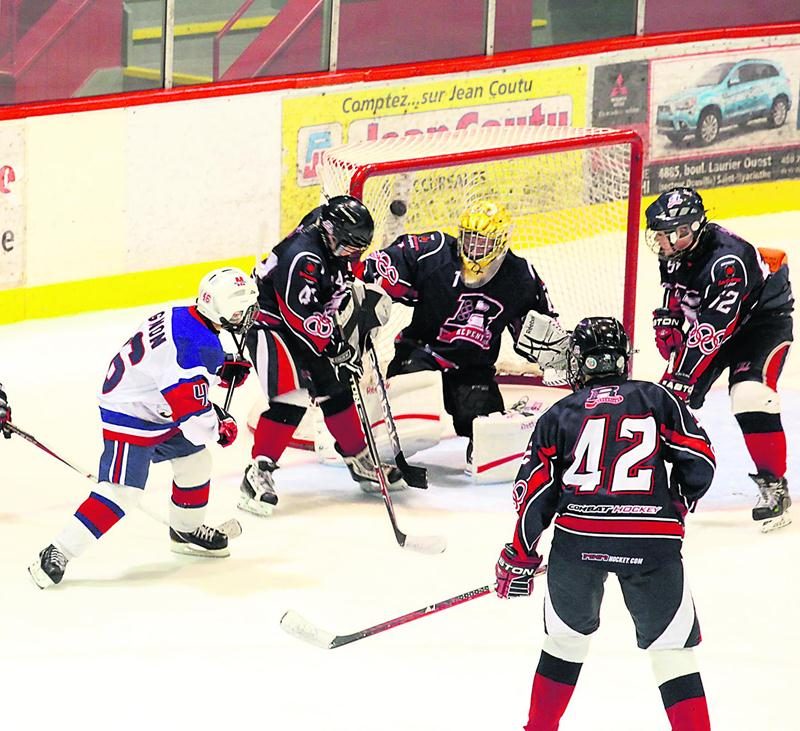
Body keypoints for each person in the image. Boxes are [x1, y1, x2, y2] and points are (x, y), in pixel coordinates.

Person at [494, 317, 716, 731]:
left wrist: (520, 554)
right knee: (672, 652)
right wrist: (675, 507)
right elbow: (700, 462)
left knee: (564, 642)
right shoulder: (658, 399)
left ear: (579, 362)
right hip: (652, 543)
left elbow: (535, 494)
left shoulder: (559, 414)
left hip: (580, 544)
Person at [28, 267, 258, 588]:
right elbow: (193, 421)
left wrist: (220, 366)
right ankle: (58, 551)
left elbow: (171, 364)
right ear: (230, 310)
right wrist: (219, 428)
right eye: (247, 308)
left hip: (156, 405)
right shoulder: (197, 345)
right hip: (132, 415)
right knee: (123, 492)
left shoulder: (185, 315)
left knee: (195, 461)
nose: (251, 315)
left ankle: (185, 530)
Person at [357, 199, 558, 466]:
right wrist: (367, 284)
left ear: (500, 242)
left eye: (482, 242)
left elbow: (542, 330)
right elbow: (380, 269)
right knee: (410, 415)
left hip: (472, 366)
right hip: (421, 352)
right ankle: (375, 438)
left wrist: (552, 353)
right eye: (469, 239)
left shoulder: (520, 276)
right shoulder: (436, 251)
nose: (473, 249)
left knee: (486, 432)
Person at [240, 194, 403, 517]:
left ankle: (359, 460)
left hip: (301, 319)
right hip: (267, 322)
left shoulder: (331, 231)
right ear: (328, 231)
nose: (350, 253)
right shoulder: (304, 257)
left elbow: (328, 293)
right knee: (293, 397)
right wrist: (335, 348)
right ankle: (258, 472)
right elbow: (298, 316)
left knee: (337, 386)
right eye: (346, 246)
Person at [646, 187, 793, 531]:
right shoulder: (677, 249)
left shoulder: (728, 261)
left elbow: (713, 329)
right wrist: (669, 316)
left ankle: (774, 485)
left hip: (760, 326)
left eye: (665, 235)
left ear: (687, 231)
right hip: (716, 326)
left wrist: (680, 375)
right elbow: (677, 286)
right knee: (671, 403)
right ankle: (651, 487)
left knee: (750, 395)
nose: (659, 243)